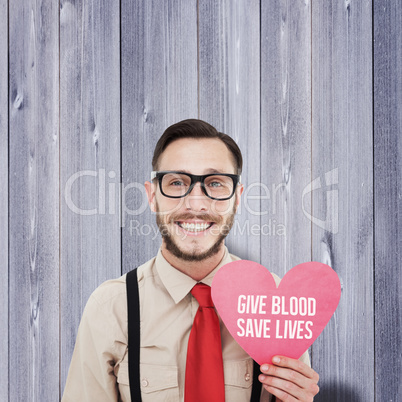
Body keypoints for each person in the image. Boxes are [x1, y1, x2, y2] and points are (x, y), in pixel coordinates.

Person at [62, 119, 319, 401]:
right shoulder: (111, 307)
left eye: (216, 183)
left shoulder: (275, 301)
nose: (196, 204)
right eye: (176, 182)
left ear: (237, 199)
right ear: (151, 196)